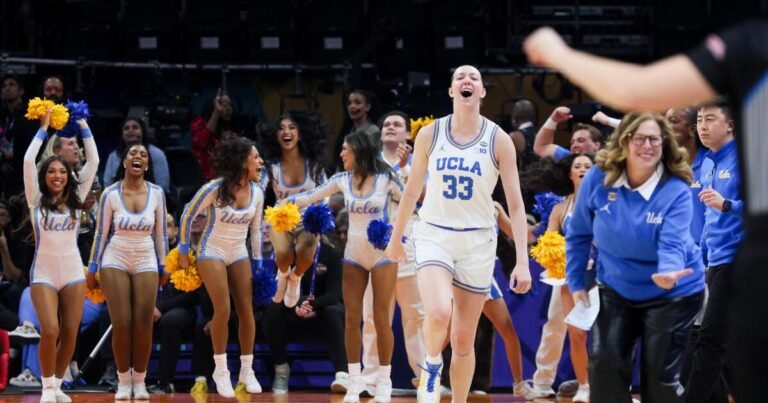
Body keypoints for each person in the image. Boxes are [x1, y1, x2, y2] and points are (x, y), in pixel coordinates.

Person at [524, 21, 768, 401]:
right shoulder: (606, 178)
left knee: (688, 358)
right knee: (624, 358)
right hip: (645, 281)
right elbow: (582, 232)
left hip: (697, 278)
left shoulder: (752, 45)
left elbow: (634, 88)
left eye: (656, 139)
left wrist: (558, 53)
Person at [385, 65, 532, 403]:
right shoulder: (430, 135)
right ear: (452, 91)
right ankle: (432, 363)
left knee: (464, 340)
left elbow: (516, 204)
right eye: (460, 78)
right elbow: (411, 191)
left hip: (478, 242)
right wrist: (396, 239)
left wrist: (522, 262)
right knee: (437, 313)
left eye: (474, 78)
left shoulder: (499, 140)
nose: (467, 81)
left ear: (482, 92)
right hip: (434, 233)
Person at [563, 112, 705, 402]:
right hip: (618, 288)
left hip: (674, 292)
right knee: (604, 365)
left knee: (659, 380)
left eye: (654, 139)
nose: (647, 146)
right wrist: (576, 280)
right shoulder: (598, 178)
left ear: (664, 144)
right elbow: (578, 233)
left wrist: (668, 271)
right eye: (639, 139)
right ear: (625, 142)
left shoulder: (675, 189)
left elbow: (673, 242)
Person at [285, 130, 403, 403]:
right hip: (353, 254)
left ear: (359, 150)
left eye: (345, 150)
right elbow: (310, 196)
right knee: (352, 319)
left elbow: (412, 202)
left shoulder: (386, 178)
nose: (341, 154)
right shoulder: (342, 180)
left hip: (383, 254)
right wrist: (285, 204)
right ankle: (353, 381)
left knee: (382, 317)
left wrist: (398, 235)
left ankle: (384, 383)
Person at [177, 136, 265, 398]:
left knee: (247, 310)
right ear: (241, 161)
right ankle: (221, 369)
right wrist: (183, 250)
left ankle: (247, 370)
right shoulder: (214, 188)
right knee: (223, 308)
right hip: (211, 250)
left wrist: (257, 262)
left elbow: (257, 229)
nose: (261, 162)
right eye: (256, 157)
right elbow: (187, 215)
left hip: (238, 250)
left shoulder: (258, 192)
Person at [24, 110, 98, 403]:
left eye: (63, 172)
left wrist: (83, 125)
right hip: (43, 273)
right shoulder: (35, 200)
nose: (58, 176)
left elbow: (93, 161)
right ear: (45, 176)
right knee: (50, 329)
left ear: (69, 177)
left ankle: (56, 385)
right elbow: (29, 161)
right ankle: (46, 387)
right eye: (52, 171)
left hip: (72, 272)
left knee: (70, 332)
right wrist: (43, 129)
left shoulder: (77, 200)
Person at [87, 141, 168, 400]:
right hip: (115, 256)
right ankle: (123, 380)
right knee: (121, 323)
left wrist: (164, 264)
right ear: (124, 162)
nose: (138, 156)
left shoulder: (157, 193)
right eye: (133, 153)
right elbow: (101, 233)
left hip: (145, 257)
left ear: (146, 164)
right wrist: (92, 267)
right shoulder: (110, 193)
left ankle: (140, 380)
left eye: (143, 154)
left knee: (143, 324)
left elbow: (162, 234)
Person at [360, 111, 426, 394]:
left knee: (416, 315)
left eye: (397, 124)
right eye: (386, 123)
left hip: (408, 242)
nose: (390, 127)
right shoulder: (367, 164)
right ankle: (371, 378)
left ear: (407, 135)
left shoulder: (419, 161)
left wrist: (403, 168)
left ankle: (425, 378)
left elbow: (422, 198)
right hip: (374, 245)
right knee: (374, 315)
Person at [522, 153, 595, 401]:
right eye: (578, 166)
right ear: (570, 174)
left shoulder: (607, 202)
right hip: (572, 279)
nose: (583, 169)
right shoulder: (561, 209)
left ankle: (615, 387)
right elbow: (547, 244)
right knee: (576, 334)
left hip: (604, 278)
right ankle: (584, 386)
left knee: (609, 336)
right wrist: (563, 254)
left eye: (588, 165)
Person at [685, 98, 742, 402]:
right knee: (726, 342)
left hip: (742, 262)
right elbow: (709, 216)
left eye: (710, 119)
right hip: (715, 263)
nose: (702, 127)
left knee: (709, 339)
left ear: (730, 125)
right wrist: (704, 256)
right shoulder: (706, 161)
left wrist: (728, 204)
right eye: (699, 121)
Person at [260, 113, 328, 308]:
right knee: (283, 255)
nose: (286, 132)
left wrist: (320, 215)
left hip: (309, 218)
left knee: (305, 253)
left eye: (292, 127)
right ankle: (282, 275)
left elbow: (326, 191)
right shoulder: (270, 167)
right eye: (281, 128)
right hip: (280, 218)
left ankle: (295, 278)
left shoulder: (314, 166)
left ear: (300, 134)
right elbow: (258, 191)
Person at [262, 242, 348, 395]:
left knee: (334, 311)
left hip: (321, 314)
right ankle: (281, 370)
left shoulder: (331, 255)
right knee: (273, 309)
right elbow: (279, 292)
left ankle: (342, 374)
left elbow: (334, 295)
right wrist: (299, 305)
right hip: (293, 312)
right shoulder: (286, 256)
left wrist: (313, 305)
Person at [103, 117, 171, 194]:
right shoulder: (113, 156)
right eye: (126, 128)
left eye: (135, 127)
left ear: (143, 132)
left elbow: (163, 186)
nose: (130, 130)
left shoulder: (157, 153)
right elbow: (107, 186)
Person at [332, 89, 381, 172]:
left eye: (357, 103)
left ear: (367, 107)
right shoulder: (348, 131)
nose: (352, 106)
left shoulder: (373, 131)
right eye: (349, 103)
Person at [533, 106, 603, 160]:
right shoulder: (568, 158)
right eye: (572, 142)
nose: (574, 145)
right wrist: (553, 120)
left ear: (596, 145)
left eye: (581, 140)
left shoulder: (608, 164)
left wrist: (609, 121)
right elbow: (541, 147)